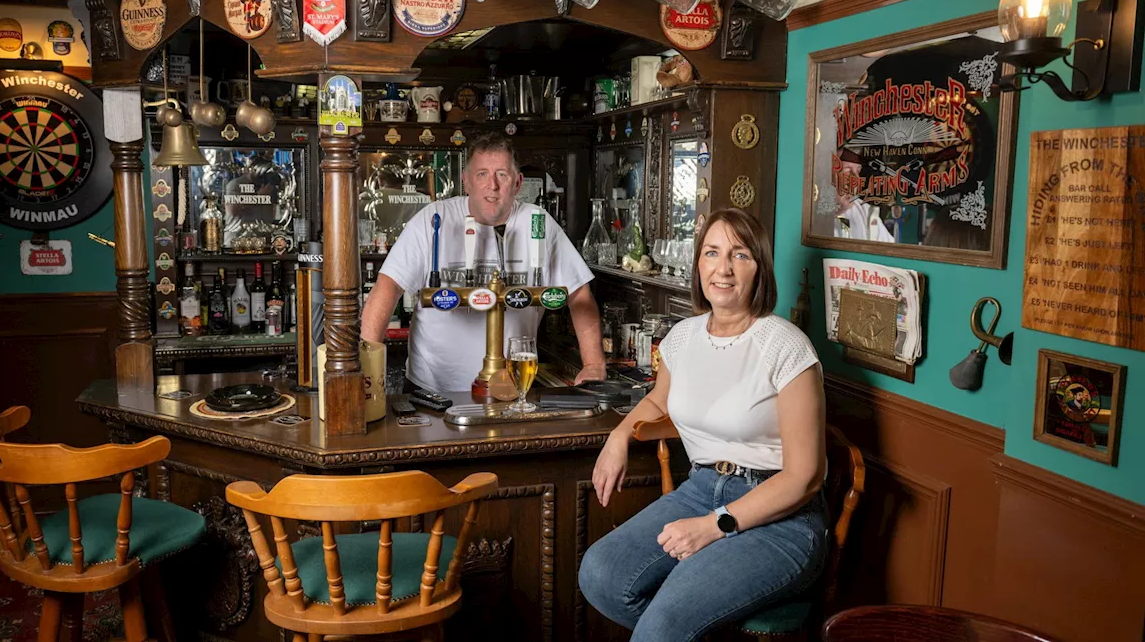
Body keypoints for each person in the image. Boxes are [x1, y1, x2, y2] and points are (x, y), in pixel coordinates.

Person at [578, 208, 827, 641]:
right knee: (601, 574)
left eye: (740, 255)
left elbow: (805, 476)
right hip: (700, 490)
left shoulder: (787, 347)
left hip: (782, 516)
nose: (723, 268)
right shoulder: (683, 337)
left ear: (760, 268)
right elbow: (659, 400)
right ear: (698, 264)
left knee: (665, 624)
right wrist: (619, 435)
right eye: (712, 252)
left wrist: (716, 525)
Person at [361, 132, 606, 392]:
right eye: (482, 174)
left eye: (502, 174)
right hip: (432, 389)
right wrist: (365, 371)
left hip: (513, 386)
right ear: (466, 181)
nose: (492, 185)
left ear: (518, 183)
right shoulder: (433, 219)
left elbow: (579, 294)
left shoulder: (538, 223)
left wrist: (593, 364)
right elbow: (388, 288)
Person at [833, 158, 893, 242]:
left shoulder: (866, 211)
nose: (855, 180)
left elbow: (889, 249)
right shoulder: (811, 214)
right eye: (846, 172)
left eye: (858, 172)